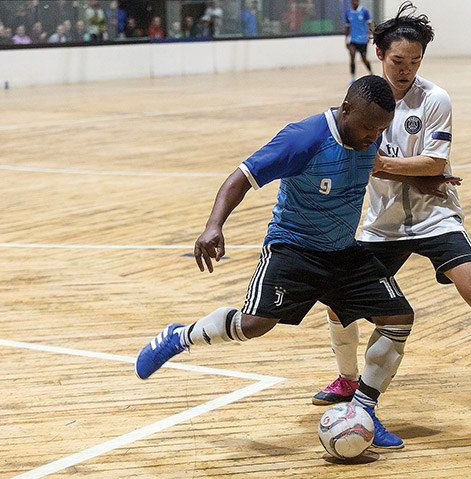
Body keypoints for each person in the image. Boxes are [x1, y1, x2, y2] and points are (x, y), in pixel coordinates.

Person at [135, 75, 439, 449]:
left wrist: (425, 183)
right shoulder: (304, 139)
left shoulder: (368, 136)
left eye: (380, 130)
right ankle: (179, 336)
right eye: (367, 128)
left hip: (344, 252)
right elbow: (241, 177)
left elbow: (375, 164)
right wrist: (213, 226)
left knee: (398, 319)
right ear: (345, 109)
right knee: (253, 325)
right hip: (294, 249)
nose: (372, 138)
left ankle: (364, 410)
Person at [312, 3, 471, 439]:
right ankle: (348, 380)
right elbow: (391, 164)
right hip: (382, 223)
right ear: (379, 54)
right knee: (339, 304)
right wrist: (419, 171)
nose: (406, 69)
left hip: (437, 217)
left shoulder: (435, 99)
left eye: (415, 62)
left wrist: (408, 169)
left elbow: (434, 162)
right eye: (398, 61)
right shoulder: (360, 101)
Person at [345, 0, 373, 84]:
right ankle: (353, 78)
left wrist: (369, 35)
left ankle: (371, 73)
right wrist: (346, 38)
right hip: (353, 40)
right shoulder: (348, 13)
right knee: (352, 56)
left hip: (362, 39)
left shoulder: (364, 11)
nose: (354, 2)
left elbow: (369, 23)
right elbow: (347, 27)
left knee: (364, 58)